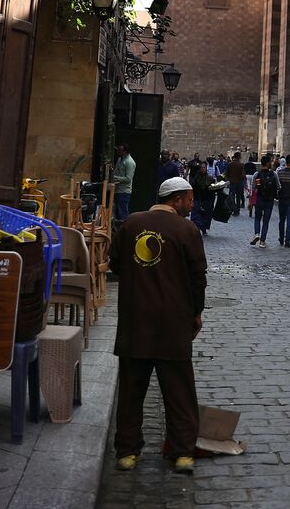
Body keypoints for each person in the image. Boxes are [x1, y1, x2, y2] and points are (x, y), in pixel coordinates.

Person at [111, 177, 207, 474]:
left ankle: (127, 451)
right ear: (176, 200)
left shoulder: (131, 223)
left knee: (131, 390)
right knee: (179, 392)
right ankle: (182, 452)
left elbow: (115, 263)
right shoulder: (187, 230)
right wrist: (196, 313)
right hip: (173, 323)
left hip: (135, 319)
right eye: (189, 200)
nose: (191, 205)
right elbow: (198, 278)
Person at [250, 154, 279, 248]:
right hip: (269, 200)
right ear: (267, 163)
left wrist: (251, 201)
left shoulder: (257, 174)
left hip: (259, 199)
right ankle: (262, 241)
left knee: (257, 218)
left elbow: (253, 188)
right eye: (270, 162)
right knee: (266, 221)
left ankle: (257, 233)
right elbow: (279, 186)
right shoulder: (274, 174)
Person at [189, 162, 217, 233]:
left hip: (207, 199)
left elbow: (213, 188)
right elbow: (193, 187)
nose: (203, 169)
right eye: (202, 167)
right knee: (196, 214)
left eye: (204, 167)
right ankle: (196, 228)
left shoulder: (210, 178)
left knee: (206, 215)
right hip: (198, 198)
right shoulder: (196, 178)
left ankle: (204, 228)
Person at [112, 144, 136, 223]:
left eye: (120, 150)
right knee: (117, 212)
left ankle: (126, 227)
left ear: (125, 152)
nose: (118, 152)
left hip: (124, 191)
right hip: (116, 189)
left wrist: (115, 178)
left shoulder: (129, 162)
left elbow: (128, 179)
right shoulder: (120, 159)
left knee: (123, 213)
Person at [227, 151, 248, 216]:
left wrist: (228, 181)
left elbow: (227, 174)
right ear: (239, 157)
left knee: (232, 197)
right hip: (239, 183)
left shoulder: (230, 164)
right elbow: (243, 175)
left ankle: (233, 209)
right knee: (238, 197)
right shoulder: (241, 165)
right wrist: (245, 183)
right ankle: (237, 210)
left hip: (232, 183)